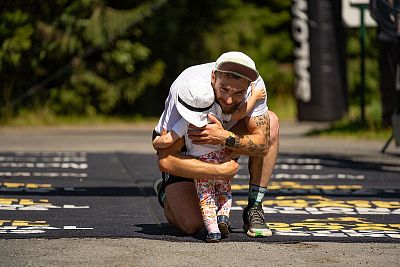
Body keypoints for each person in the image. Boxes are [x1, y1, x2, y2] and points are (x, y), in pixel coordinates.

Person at [152, 51, 280, 238]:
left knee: (272, 121)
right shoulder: (187, 90)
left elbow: (262, 145)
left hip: (222, 140)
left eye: (238, 93)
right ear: (214, 77)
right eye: (224, 89)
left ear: (248, 86)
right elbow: (165, 161)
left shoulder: (255, 84)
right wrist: (220, 171)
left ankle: (255, 207)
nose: (229, 100)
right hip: (185, 149)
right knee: (191, 224)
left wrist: (225, 138)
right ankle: (165, 192)